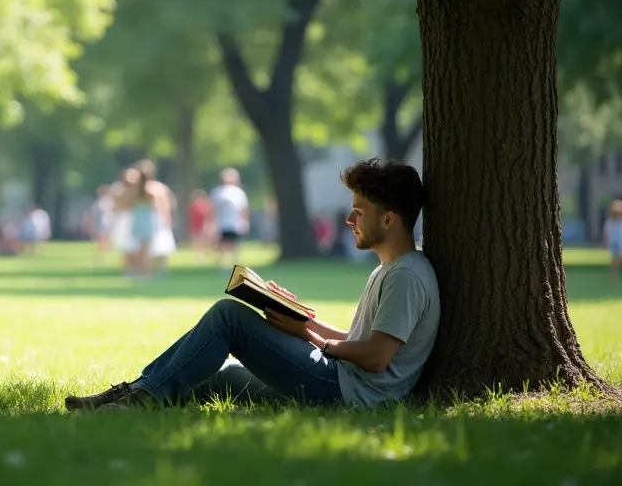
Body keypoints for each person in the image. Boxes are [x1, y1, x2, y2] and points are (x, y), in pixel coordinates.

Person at [65, 158, 439, 411]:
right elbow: (360, 339)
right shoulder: (391, 270)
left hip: (347, 391)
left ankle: (141, 400)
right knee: (222, 376)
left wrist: (311, 338)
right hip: (341, 377)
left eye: (359, 212)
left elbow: (376, 357)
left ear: (389, 220)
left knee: (229, 317)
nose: (349, 220)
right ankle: (129, 394)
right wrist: (299, 319)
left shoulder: (405, 275)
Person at [209, 167, 249, 270]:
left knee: (234, 245)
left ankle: (235, 266)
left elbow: (243, 208)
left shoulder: (239, 192)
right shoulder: (218, 192)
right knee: (221, 245)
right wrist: (212, 222)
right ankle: (221, 266)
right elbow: (213, 208)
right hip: (221, 222)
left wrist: (244, 222)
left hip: (235, 223)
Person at [603, 199, 622, 284]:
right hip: (614, 245)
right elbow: (606, 234)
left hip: (620, 243)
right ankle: (613, 280)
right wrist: (605, 243)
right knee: (615, 262)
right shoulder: (609, 222)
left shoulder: (620, 222)